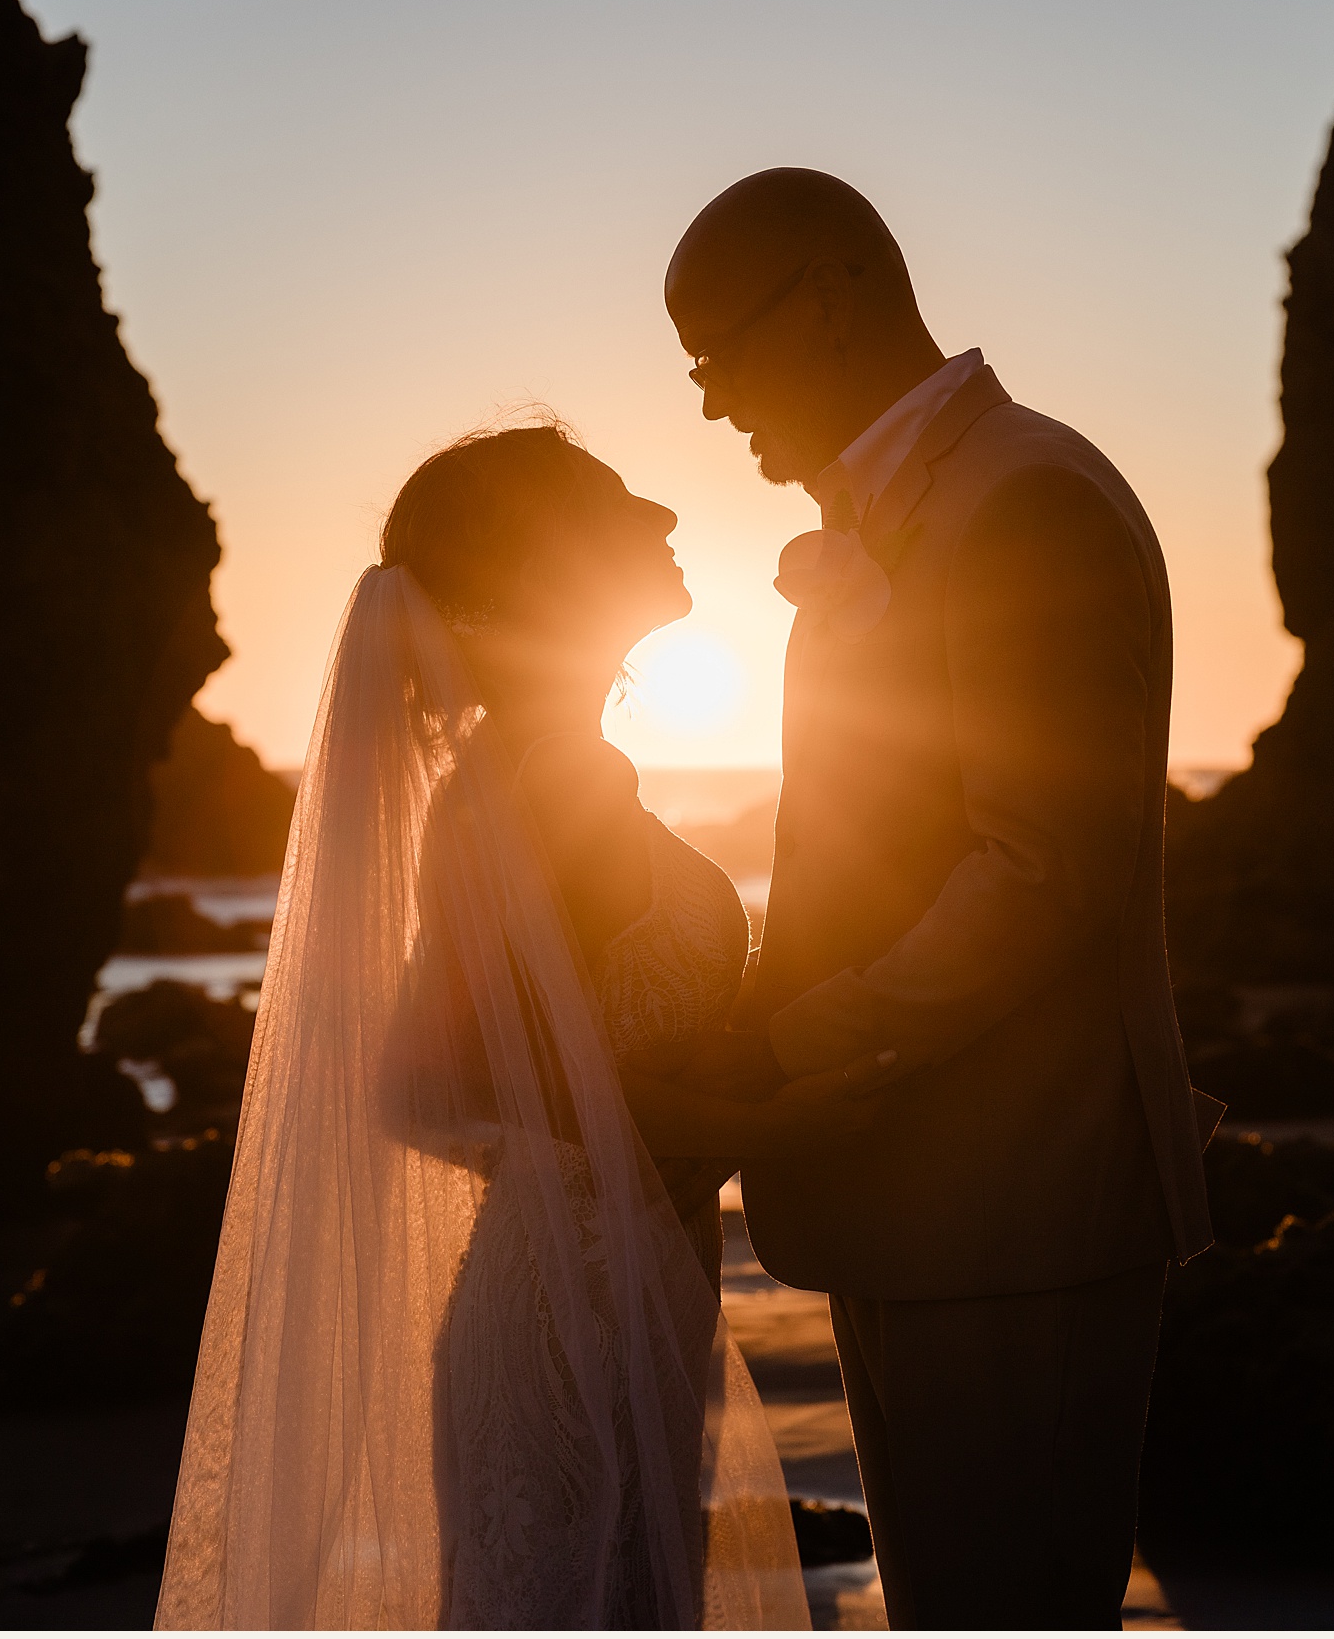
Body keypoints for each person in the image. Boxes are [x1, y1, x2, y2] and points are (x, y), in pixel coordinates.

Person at [155, 424, 866, 1629]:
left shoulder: (524, 773)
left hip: (588, 1283)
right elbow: (462, 1075)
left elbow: (443, 1080)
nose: (663, 513)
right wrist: (797, 1118)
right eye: (616, 499)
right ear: (551, 565)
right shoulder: (553, 785)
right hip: (573, 1306)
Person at [652, 167, 1226, 1628]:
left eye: (717, 353)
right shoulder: (905, 514)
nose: (711, 404)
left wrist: (797, 1038)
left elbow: (1043, 868)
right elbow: (870, 841)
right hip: (911, 1184)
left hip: (1021, 1198)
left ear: (832, 295)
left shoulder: (1024, 498)